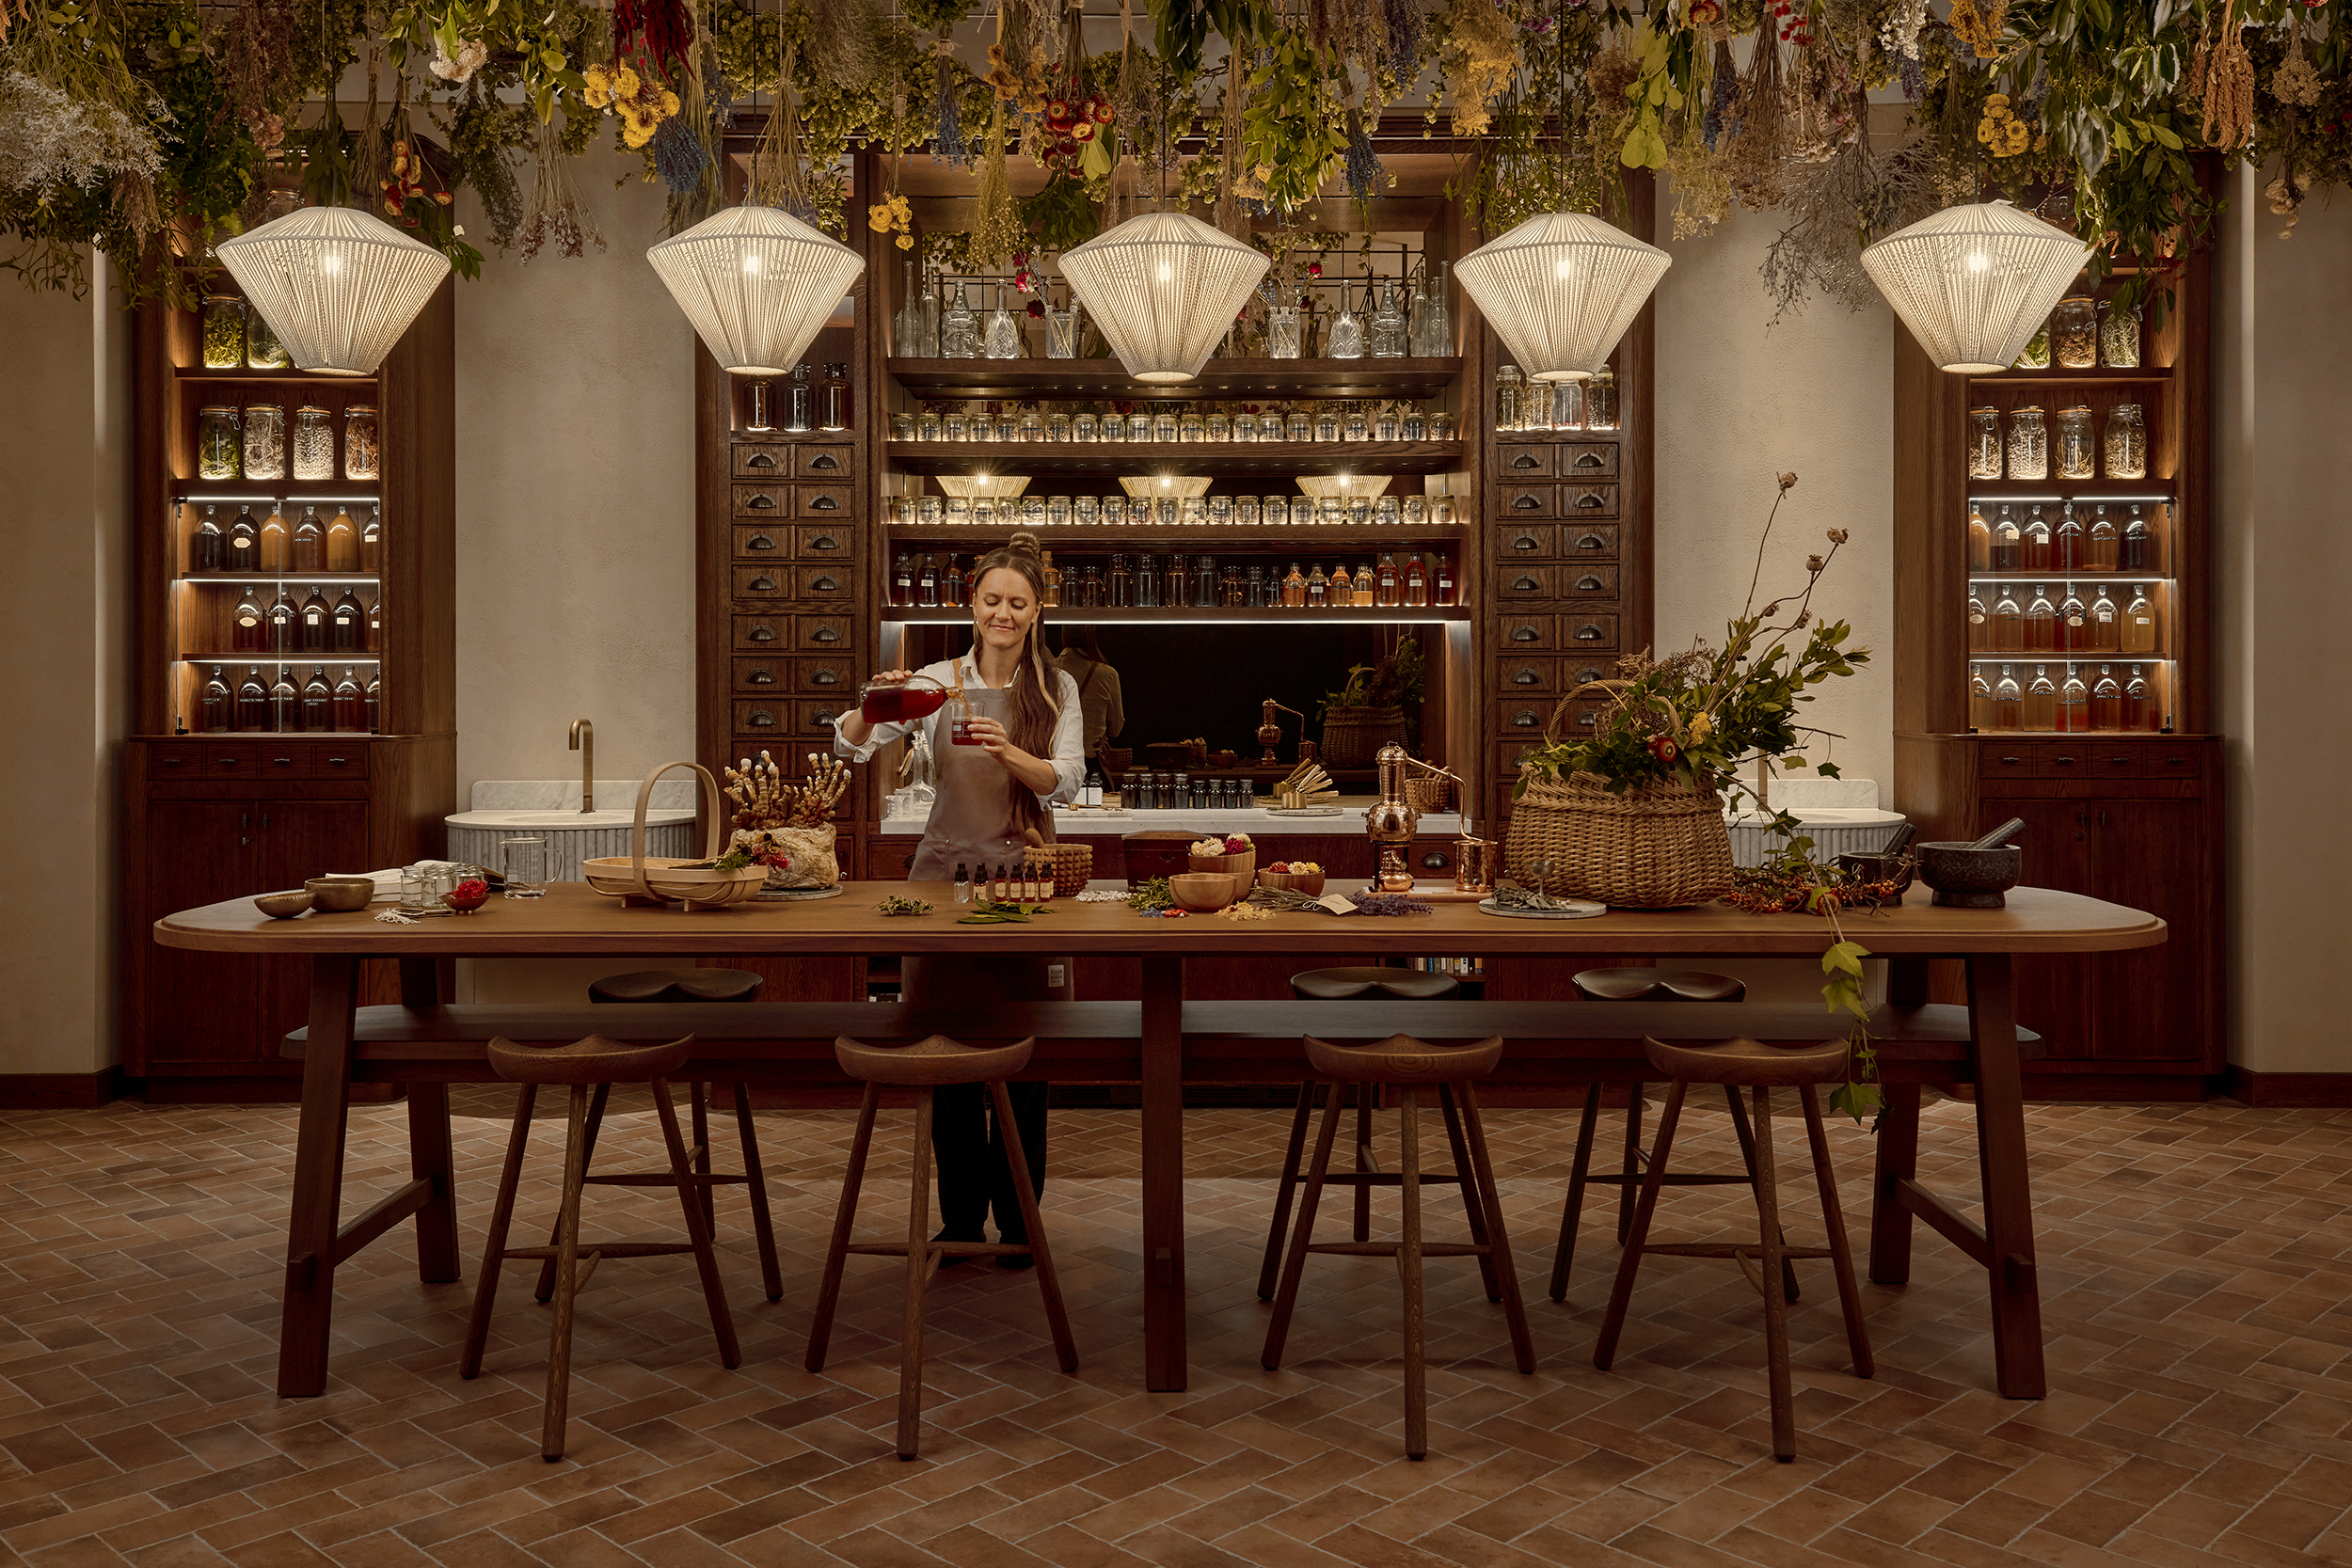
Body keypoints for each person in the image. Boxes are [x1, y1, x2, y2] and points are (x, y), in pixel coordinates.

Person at [833, 531, 1083, 1266]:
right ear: (972, 603)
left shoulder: (1055, 689)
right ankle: (962, 1220)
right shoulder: (938, 681)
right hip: (941, 883)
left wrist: (1009, 749)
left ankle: (1020, 1223)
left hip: (1026, 885)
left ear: (1037, 611)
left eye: (1018, 603)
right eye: (992, 599)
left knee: (1026, 1057)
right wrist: (873, 705)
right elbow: (850, 744)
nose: (1003, 613)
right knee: (943, 1052)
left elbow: (1065, 780)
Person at [1055, 627, 1125, 758]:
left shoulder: (1046, 670)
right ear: (1091, 636)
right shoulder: (1107, 674)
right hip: (1091, 758)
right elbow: (1116, 728)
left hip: (1054, 758)